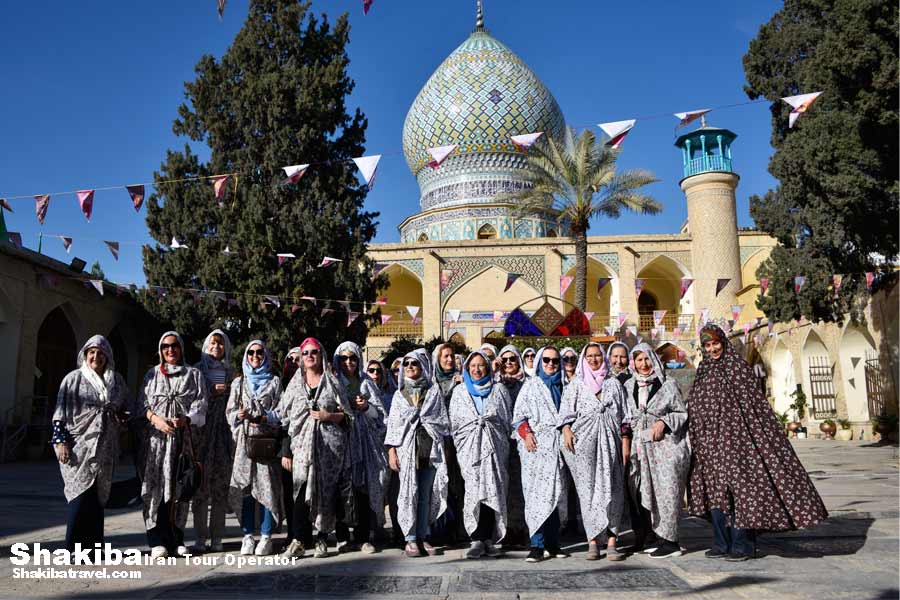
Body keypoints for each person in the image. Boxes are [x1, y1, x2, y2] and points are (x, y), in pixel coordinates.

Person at [687, 324, 828, 561]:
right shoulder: (703, 371)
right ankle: (722, 543)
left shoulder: (737, 367)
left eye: (715, 343)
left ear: (723, 341)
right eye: (708, 345)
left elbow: (754, 406)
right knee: (715, 493)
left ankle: (743, 545)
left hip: (739, 443)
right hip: (709, 446)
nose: (712, 349)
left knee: (742, 491)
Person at [52, 335, 128, 552]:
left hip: (106, 447)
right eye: (92, 352)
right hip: (78, 448)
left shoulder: (116, 381)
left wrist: (122, 417)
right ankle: (74, 549)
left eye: (101, 353)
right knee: (79, 496)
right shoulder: (73, 379)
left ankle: (93, 549)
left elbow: (125, 406)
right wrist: (60, 442)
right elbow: (60, 413)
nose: (96, 357)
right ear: (85, 355)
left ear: (108, 356)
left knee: (97, 499)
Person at [280, 338, 353, 559]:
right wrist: (286, 450)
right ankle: (299, 540)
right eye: (305, 353)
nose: (310, 356)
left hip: (330, 449)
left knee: (326, 494)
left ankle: (322, 538)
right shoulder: (295, 383)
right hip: (302, 448)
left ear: (321, 355)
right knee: (301, 492)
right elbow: (284, 418)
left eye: (314, 352)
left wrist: (328, 416)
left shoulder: (333, 382)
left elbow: (348, 416)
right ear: (301, 358)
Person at [138, 331, 208, 559]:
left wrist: (186, 419)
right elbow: (142, 405)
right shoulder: (152, 375)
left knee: (179, 489)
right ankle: (156, 539)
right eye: (166, 346)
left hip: (183, 442)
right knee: (156, 488)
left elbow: (202, 405)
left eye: (174, 346)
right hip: (156, 445)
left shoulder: (194, 374)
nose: (170, 350)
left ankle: (176, 537)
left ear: (181, 348)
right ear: (160, 350)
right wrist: (156, 420)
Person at [559, 343, 630, 561]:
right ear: (583, 359)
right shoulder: (576, 385)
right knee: (588, 492)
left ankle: (611, 541)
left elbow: (626, 416)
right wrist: (567, 429)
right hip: (585, 449)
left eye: (597, 355)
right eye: (589, 356)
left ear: (603, 357)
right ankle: (592, 540)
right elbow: (565, 414)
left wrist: (625, 442)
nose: (593, 360)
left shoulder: (614, 384)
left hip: (611, 447)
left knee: (613, 490)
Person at [622, 343, 690, 559]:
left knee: (667, 491)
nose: (644, 364)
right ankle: (654, 537)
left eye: (647, 359)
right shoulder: (629, 385)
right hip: (640, 448)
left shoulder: (668, 384)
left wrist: (664, 421)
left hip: (665, 448)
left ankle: (671, 541)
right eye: (639, 360)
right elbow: (626, 416)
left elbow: (681, 413)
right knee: (643, 492)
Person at [384, 349, 450, 557]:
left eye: (415, 363)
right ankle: (410, 538)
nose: (411, 367)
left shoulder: (433, 392)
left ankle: (423, 535)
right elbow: (393, 427)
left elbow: (442, 422)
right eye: (407, 363)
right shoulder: (398, 395)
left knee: (425, 496)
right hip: (406, 451)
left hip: (429, 450)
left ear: (423, 366)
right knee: (408, 494)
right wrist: (392, 452)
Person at [450, 351, 512, 559]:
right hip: (470, 450)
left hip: (495, 448)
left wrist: (493, 435)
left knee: (492, 489)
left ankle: (489, 537)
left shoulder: (499, 390)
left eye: (481, 365)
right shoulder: (460, 392)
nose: (477, 370)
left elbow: (506, 421)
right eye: (473, 366)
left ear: (488, 367)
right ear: (467, 368)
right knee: (474, 490)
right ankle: (475, 538)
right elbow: (455, 424)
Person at [513, 346, 570, 563]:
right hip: (535, 449)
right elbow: (518, 418)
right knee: (536, 497)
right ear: (539, 362)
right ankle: (536, 544)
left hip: (557, 448)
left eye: (555, 361)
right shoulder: (530, 387)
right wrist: (526, 435)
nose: (550, 365)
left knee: (555, 496)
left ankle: (553, 544)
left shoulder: (566, 386)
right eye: (546, 360)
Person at [227, 340, 284, 557]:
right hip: (244, 443)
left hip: (266, 443)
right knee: (246, 490)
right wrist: (238, 416)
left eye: (259, 352)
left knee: (267, 489)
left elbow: (281, 412)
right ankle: (248, 535)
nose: (255, 356)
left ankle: (267, 536)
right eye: (251, 353)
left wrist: (263, 417)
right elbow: (229, 412)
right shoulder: (239, 383)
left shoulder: (275, 382)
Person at [333, 342, 389, 554]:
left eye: (353, 358)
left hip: (365, 443)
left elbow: (380, 414)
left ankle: (363, 537)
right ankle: (341, 536)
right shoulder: (333, 381)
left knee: (362, 488)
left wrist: (366, 407)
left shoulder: (366, 382)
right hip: (340, 441)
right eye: (344, 358)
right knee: (341, 488)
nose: (349, 362)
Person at [190, 329, 234, 553]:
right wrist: (211, 391)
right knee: (200, 487)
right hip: (202, 435)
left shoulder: (230, 371)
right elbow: (191, 397)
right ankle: (200, 537)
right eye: (212, 344)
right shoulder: (197, 370)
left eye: (220, 344)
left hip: (223, 435)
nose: (216, 348)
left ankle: (217, 536)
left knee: (219, 487)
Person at [430, 342, 466, 545]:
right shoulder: (432, 382)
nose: (449, 360)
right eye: (445, 356)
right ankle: (439, 530)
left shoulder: (461, 379)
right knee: (438, 483)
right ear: (438, 359)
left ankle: (458, 529)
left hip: (459, 439)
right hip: (439, 439)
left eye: (452, 356)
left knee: (457, 483)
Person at [494, 345, 528, 547]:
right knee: (502, 486)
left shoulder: (528, 384)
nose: (508, 363)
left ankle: (521, 528)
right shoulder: (495, 384)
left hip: (522, 441)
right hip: (500, 441)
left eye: (512, 359)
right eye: (504, 360)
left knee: (520, 487)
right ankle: (504, 530)